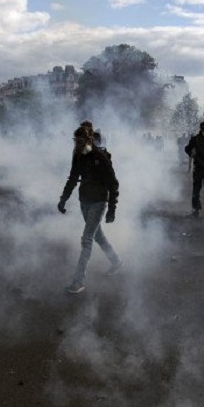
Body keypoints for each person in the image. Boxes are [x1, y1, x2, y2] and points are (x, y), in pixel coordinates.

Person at [58, 125, 122, 294]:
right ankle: (115, 261)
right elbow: (72, 178)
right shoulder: (78, 156)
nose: (76, 145)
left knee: (86, 239)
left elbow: (113, 184)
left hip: (99, 202)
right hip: (84, 201)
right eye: (75, 141)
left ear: (88, 140)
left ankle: (78, 282)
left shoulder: (100, 157)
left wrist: (112, 209)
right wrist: (63, 199)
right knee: (98, 236)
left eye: (80, 141)